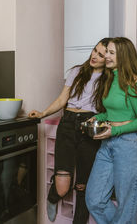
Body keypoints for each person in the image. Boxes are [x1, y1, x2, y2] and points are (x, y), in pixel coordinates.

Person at [28, 38, 111, 224]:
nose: (94, 56)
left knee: (83, 185)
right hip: (67, 125)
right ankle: (52, 198)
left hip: (90, 127)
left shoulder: (110, 79)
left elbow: (112, 107)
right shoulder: (77, 72)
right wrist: (43, 113)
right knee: (63, 186)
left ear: (109, 59)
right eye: (94, 51)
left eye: (101, 54)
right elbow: (61, 100)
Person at [85, 37, 137, 224]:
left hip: (129, 146)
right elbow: (115, 112)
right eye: (107, 52)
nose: (106, 56)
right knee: (94, 200)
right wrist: (99, 117)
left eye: (111, 53)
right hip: (107, 145)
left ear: (124, 57)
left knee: (126, 207)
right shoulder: (111, 79)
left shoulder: (132, 82)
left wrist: (114, 131)